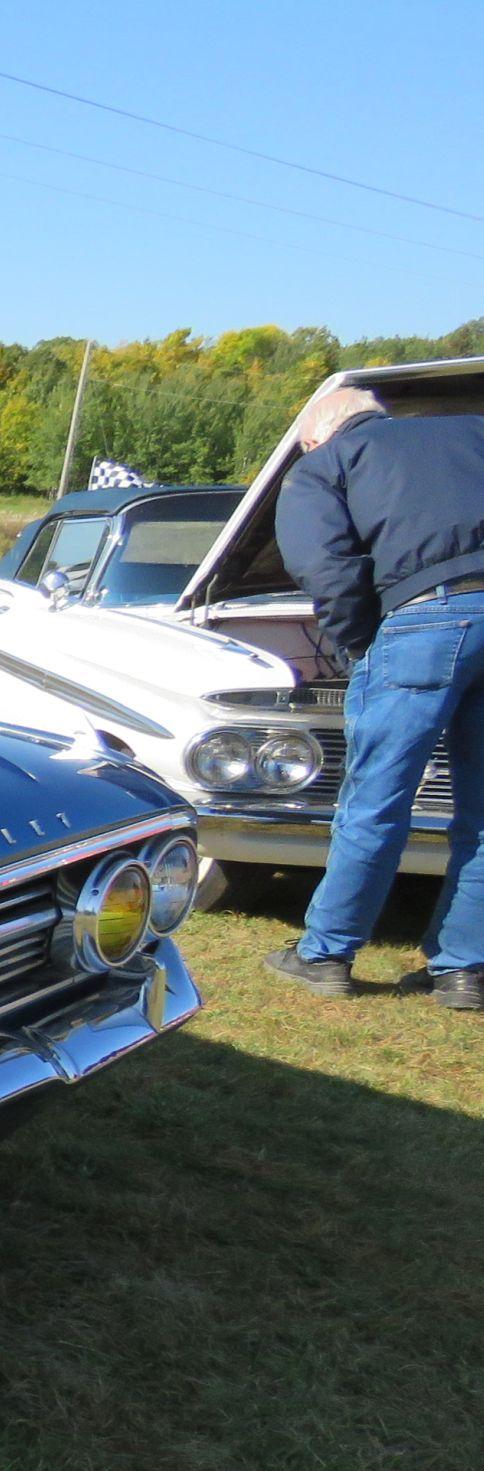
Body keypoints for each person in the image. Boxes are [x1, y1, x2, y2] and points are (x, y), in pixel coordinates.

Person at [264, 386, 484, 1011]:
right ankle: (464, 972)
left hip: (425, 618)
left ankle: (326, 954)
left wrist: (364, 646)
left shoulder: (325, 463)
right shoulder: (472, 432)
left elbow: (328, 568)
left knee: (377, 797)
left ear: (315, 434)